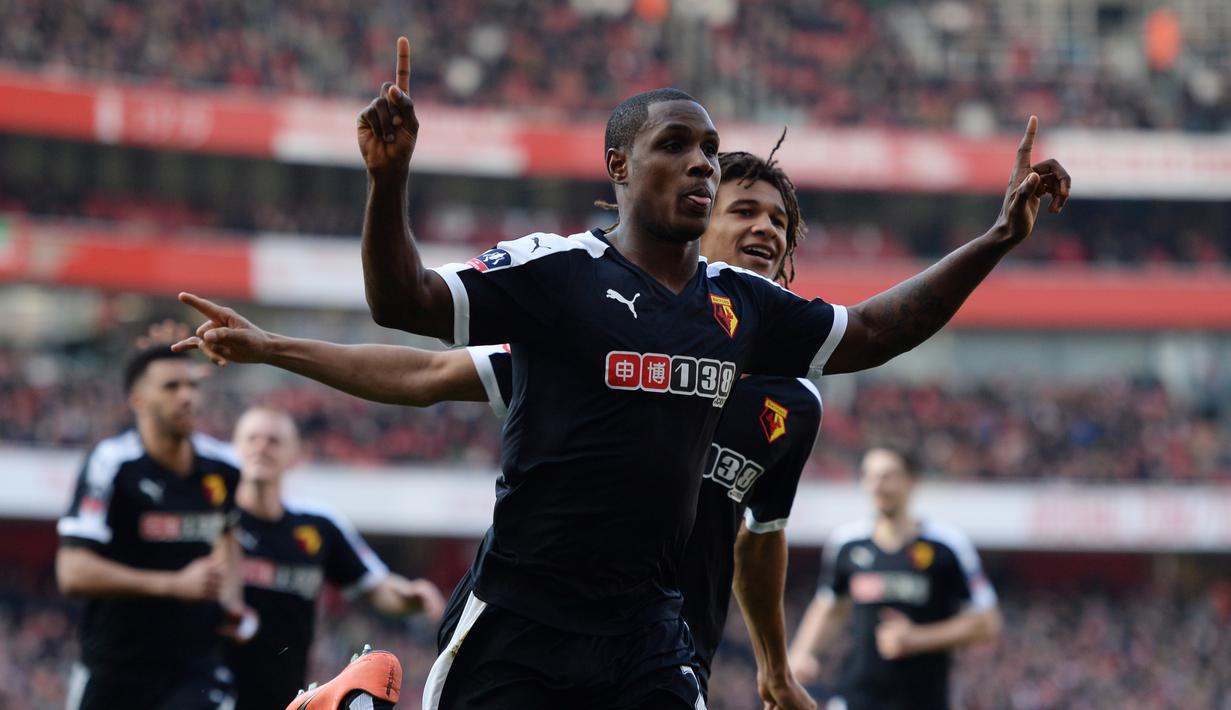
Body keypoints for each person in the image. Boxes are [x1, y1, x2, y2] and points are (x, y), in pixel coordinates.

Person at [190, 35, 1067, 708]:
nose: (701, 164)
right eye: (679, 147)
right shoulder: (559, 277)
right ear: (618, 167)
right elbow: (408, 316)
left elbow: (874, 331)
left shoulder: (753, 331)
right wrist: (388, 183)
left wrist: (995, 239)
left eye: (711, 151)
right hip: (520, 615)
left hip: (651, 629)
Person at [176, 143, 825, 710]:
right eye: (744, 210)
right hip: (530, 627)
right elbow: (424, 378)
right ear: (691, 222)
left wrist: (774, 667)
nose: (766, 228)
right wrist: (274, 348)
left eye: (779, 222)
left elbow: (761, 534)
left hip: (668, 649)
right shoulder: (602, 334)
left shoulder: (794, 404)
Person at [56, 340, 248, 710]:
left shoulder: (224, 467)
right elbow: (72, 572)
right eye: (171, 387)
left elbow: (229, 533)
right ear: (138, 400)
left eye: (192, 385)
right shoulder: (112, 464)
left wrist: (231, 597)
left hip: (195, 670)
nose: (188, 396)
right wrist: (175, 585)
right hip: (115, 666)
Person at [226, 406, 445, 710]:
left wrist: (410, 597)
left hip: (284, 692)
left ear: (295, 455)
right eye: (252, 438)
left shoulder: (320, 526)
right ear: (235, 448)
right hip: (209, 687)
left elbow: (376, 586)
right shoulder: (212, 521)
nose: (261, 447)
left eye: (273, 440)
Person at [787, 447, 1002, 710]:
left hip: (924, 700)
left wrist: (918, 638)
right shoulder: (847, 544)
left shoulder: (946, 546)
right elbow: (829, 605)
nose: (878, 485)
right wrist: (800, 654)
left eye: (888, 476)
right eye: (870, 476)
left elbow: (987, 623)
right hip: (856, 697)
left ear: (912, 481)